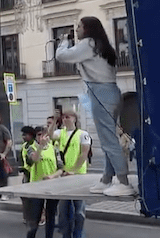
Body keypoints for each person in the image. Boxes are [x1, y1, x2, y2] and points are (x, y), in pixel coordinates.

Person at [56, 16, 134, 197]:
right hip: (111, 91)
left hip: (100, 93)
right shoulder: (104, 46)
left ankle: (123, 182)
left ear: (88, 29)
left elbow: (62, 56)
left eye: (79, 26)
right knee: (109, 137)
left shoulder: (88, 44)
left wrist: (63, 42)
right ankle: (107, 178)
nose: (76, 30)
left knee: (108, 139)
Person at [48, 110, 91, 238]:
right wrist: (54, 121)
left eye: (68, 117)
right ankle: (66, 236)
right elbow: (49, 136)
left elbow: (84, 154)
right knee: (64, 209)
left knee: (79, 209)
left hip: (78, 175)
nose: (65, 119)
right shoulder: (61, 133)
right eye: (63, 117)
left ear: (74, 119)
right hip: (64, 174)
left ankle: (78, 236)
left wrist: (74, 170)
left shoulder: (83, 134)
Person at [23, 127, 60, 238]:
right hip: (36, 188)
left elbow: (61, 168)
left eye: (45, 135)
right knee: (35, 219)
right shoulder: (31, 148)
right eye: (39, 135)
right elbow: (34, 160)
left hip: (52, 187)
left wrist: (53, 176)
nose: (42, 138)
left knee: (51, 218)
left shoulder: (54, 149)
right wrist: (40, 147)